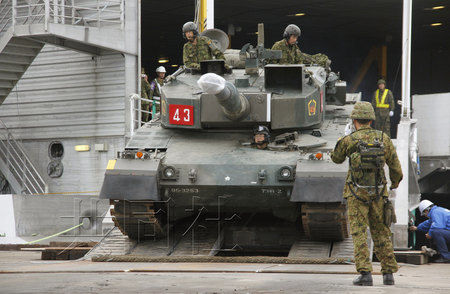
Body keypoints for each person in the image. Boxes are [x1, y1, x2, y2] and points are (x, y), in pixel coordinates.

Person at [331, 101, 403, 286]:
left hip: (356, 194)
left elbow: (336, 158)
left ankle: (365, 274)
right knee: (381, 232)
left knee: (359, 232)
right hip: (379, 194)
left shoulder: (350, 140)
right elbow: (396, 167)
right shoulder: (383, 138)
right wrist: (394, 184)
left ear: (354, 119)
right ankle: (388, 274)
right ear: (371, 120)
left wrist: (345, 137)